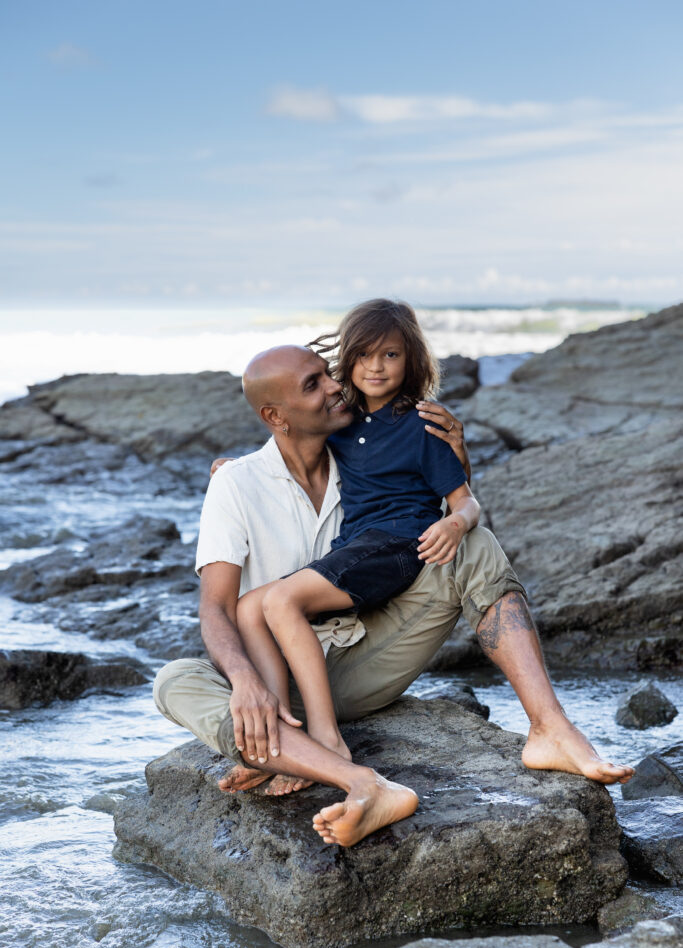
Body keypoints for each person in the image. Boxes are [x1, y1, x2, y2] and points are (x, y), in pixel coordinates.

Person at [153, 322, 634, 850]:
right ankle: (330, 766)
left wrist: (458, 459)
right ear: (275, 417)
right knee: (175, 679)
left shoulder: (360, 457)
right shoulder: (236, 484)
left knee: (474, 546)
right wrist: (245, 681)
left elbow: (437, 497)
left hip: (360, 658)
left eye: (327, 375)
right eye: (314, 385)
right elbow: (217, 608)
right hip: (271, 680)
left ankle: (549, 728)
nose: (337, 387)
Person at [235, 299, 479, 767]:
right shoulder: (343, 421)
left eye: (390, 355)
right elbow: (292, 434)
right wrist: (240, 470)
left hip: (399, 544)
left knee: (282, 601)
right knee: (249, 607)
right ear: (347, 358)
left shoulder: (423, 424)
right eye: (364, 355)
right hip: (357, 547)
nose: (376, 367)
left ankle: (327, 738)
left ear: (412, 360)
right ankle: (283, 719)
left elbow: (466, 500)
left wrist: (454, 521)